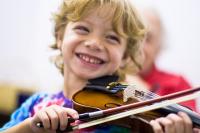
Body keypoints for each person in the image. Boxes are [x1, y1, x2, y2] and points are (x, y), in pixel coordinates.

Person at [0, 0, 199, 133]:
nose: (94, 43)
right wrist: (31, 127)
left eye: (112, 38)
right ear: (60, 37)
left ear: (124, 56)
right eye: (83, 29)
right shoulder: (37, 104)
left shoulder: (127, 119)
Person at [126, 9, 197, 112]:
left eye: (148, 38)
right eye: (132, 36)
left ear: (159, 47)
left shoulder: (178, 84)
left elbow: (192, 125)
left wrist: (142, 93)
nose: (138, 47)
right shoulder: (103, 74)